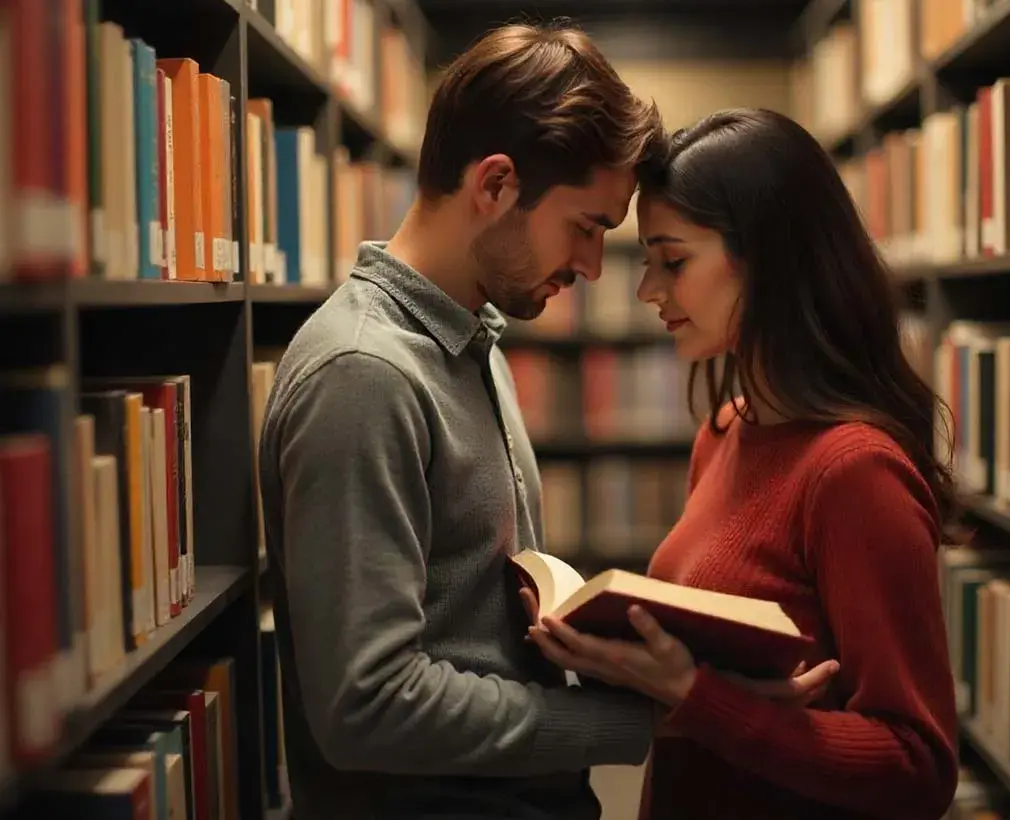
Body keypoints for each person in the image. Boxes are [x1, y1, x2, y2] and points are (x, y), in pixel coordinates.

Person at [256, 22, 669, 820]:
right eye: (586, 227)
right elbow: (367, 704)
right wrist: (625, 723)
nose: (592, 267)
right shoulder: (364, 374)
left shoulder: (471, 341)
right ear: (496, 185)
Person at [526, 108, 962, 820]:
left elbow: (919, 766)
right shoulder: (725, 432)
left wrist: (695, 697)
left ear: (769, 260)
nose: (647, 291)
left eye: (673, 261)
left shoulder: (855, 473)